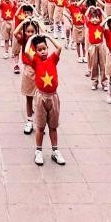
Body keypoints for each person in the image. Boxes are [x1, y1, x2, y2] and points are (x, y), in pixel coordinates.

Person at [29, 33, 66, 165]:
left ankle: (55, 151)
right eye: (39, 50)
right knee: (40, 126)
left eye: (44, 48)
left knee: (53, 126)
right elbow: (27, 51)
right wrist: (31, 39)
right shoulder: (36, 61)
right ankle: (38, 151)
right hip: (41, 97)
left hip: (53, 97)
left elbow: (59, 47)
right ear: (36, 51)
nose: (43, 51)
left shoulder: (52, 59)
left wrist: (48, 37)